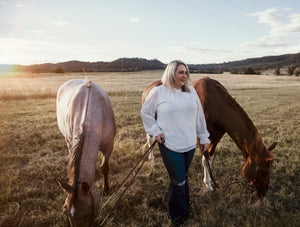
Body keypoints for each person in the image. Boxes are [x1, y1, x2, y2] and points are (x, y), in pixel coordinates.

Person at [141, 60, 210, 225]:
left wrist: (204, 138)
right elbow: (146, 113)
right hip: (169, 144)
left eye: (186, 72)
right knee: (178, 180)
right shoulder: (159, 92)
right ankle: (176, 217)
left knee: (183, 177)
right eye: (181, 72)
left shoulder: (191, 92)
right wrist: (156, 132)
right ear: (171, 73)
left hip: (189, 144)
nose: (184, 76)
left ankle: (184, 208)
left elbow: (199, 117)